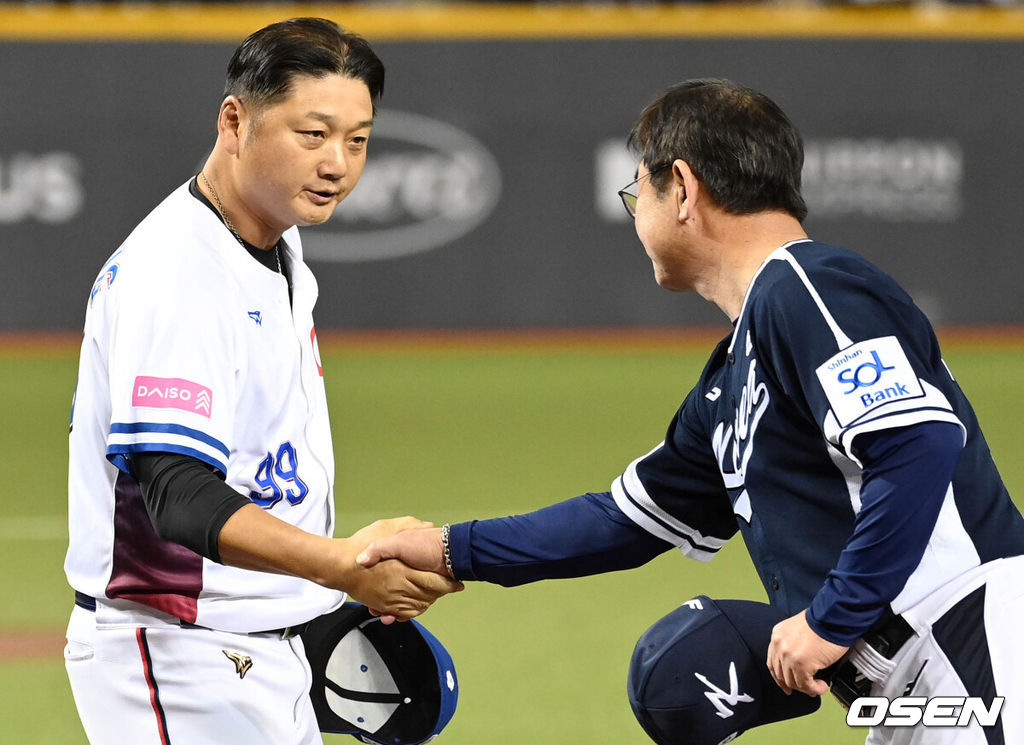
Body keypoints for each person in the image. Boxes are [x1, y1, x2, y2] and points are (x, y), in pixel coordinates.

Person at [357, 78, 1024, 744]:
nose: (635, 213)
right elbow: (620, 521)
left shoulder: (805, 285)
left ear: (681, 187)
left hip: (974, 636)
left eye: (636, 193)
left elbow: (917, 441)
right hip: (917, 680)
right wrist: (450, 550)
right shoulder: (730, 378)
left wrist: (830, 618)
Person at [63, 18, 460, 745]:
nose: (338, 162)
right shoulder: (178, 273)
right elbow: (177, 492)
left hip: (243, 651)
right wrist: (340, 564)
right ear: (235, 121)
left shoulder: (274, 243)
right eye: (313, 134)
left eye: (359, 139)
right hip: (173, 653)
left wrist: (312, 608)